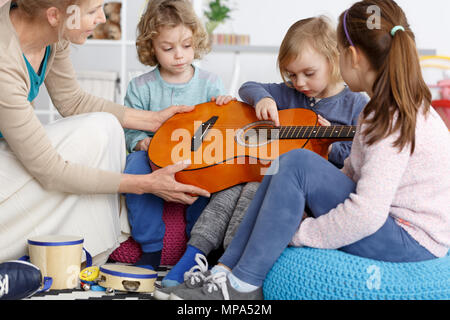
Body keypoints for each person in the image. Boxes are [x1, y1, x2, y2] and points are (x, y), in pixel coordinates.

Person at [162, 0, 450, 300]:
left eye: (338, 51)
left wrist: (300, 234)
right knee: (283, 163)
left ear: (351, 56)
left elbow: (367, 215)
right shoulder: (378, 109)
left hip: (411, 239)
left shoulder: (390, 117)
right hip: (392, 226)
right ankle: (226, 269)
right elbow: (351, 172)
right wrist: (297, 200)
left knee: (298, 162)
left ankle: (243, 285)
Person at [157, 16, 368, 291]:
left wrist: (329, 145)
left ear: (333, 59)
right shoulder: (290, 93)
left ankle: (229, 264)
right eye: (291, 75)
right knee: (229, 190)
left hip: (293, 189)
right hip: (261, 168)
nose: (299, 82)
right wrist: (264, 99)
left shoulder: (355, 103)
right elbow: (249, 87)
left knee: (253, 192)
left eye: (308, 73)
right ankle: (193, 254)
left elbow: (358, 154)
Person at [0, 0, 210, 264]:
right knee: (92, 142)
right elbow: (52, 172)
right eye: (92, 11)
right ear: (54, 15)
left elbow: (72, 102)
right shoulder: (3, 62)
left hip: (8, 153)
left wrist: (155, 120)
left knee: (106, 125)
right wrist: (145, 185)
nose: (102, 18)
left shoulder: (53, 33)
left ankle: (88, 249)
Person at [123, 0, 234, 270]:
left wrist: (224, 106)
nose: (179, 55)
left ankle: (199, 245)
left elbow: (221, 128)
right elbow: (129, 128)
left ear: (196, 40)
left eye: (186, 45)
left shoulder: (210, 82)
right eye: (168, 48)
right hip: (154, 158)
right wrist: (141, 142)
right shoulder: (141, 86)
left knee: (219, 176)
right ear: (151, 47)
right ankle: (151, 247)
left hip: (198, 159)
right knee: (133, 168)